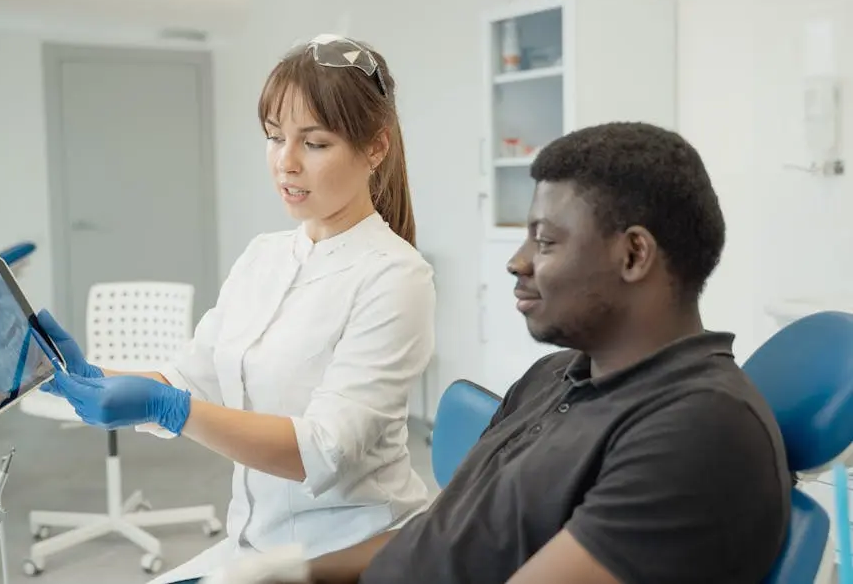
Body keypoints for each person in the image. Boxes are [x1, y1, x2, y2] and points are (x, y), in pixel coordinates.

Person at [207, 122, 793, 584]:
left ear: (634, 255)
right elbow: (445, 532)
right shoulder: (558, 375)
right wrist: (301, 573)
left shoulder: (697, 431)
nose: (517, 261)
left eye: (545, 240)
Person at [40, 33, 436, 584]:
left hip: (346, 553)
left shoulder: (395, 277)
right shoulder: (264, 256)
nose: (286, 163)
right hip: (253, 542)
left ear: (375, 148)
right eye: (275, 138)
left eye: (315, 143)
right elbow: (192, 376)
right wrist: (93, 378)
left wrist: (169, 409)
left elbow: (323, 452)